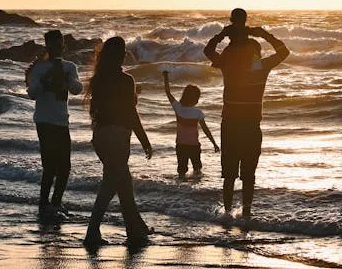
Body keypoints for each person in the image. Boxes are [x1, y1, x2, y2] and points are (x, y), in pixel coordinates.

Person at [204, 9, 289, 218]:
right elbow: (284, 52)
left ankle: (226, 213)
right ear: (256, 52)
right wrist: (265, 34)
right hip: (251, 126)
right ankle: (247, 213)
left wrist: (222, 35)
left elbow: (208, 50)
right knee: (249, 175)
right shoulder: (261, 66)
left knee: (229, 175)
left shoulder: (228, 63)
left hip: (230, 125)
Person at [83, 36, 153, 247]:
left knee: (123, 182)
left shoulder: (98, 79)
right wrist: (144, 140)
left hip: (101, 135)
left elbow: (97, 111)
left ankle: (135, 227)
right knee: (111, 184)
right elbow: (130, 113)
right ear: (120, 54)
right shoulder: (125, 80)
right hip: (117, 136)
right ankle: (92, 231)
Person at [26, 30, 83, 218]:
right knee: (49, 167)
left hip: (61, 121)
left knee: (65, 168)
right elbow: (32, 93)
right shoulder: (39, 68)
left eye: (61, 45)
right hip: (43, 120)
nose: (58, 48)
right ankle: (44, 204)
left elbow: (77, 89)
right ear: (47, 46)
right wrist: (45, 79)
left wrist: (67, 79)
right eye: (54, 45)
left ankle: (56, 203)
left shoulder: (70, 67)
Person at [162, 70, 220, 177]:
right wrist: (214, 143)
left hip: (181, 145)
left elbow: (168, 92)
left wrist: (166, 78)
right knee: (197, 170)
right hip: (194, 146)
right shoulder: (198, 113)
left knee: (182, 171)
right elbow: (206, 130)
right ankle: (195, 190)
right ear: (196, 99)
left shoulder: (178, 108)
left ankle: (181, 189)